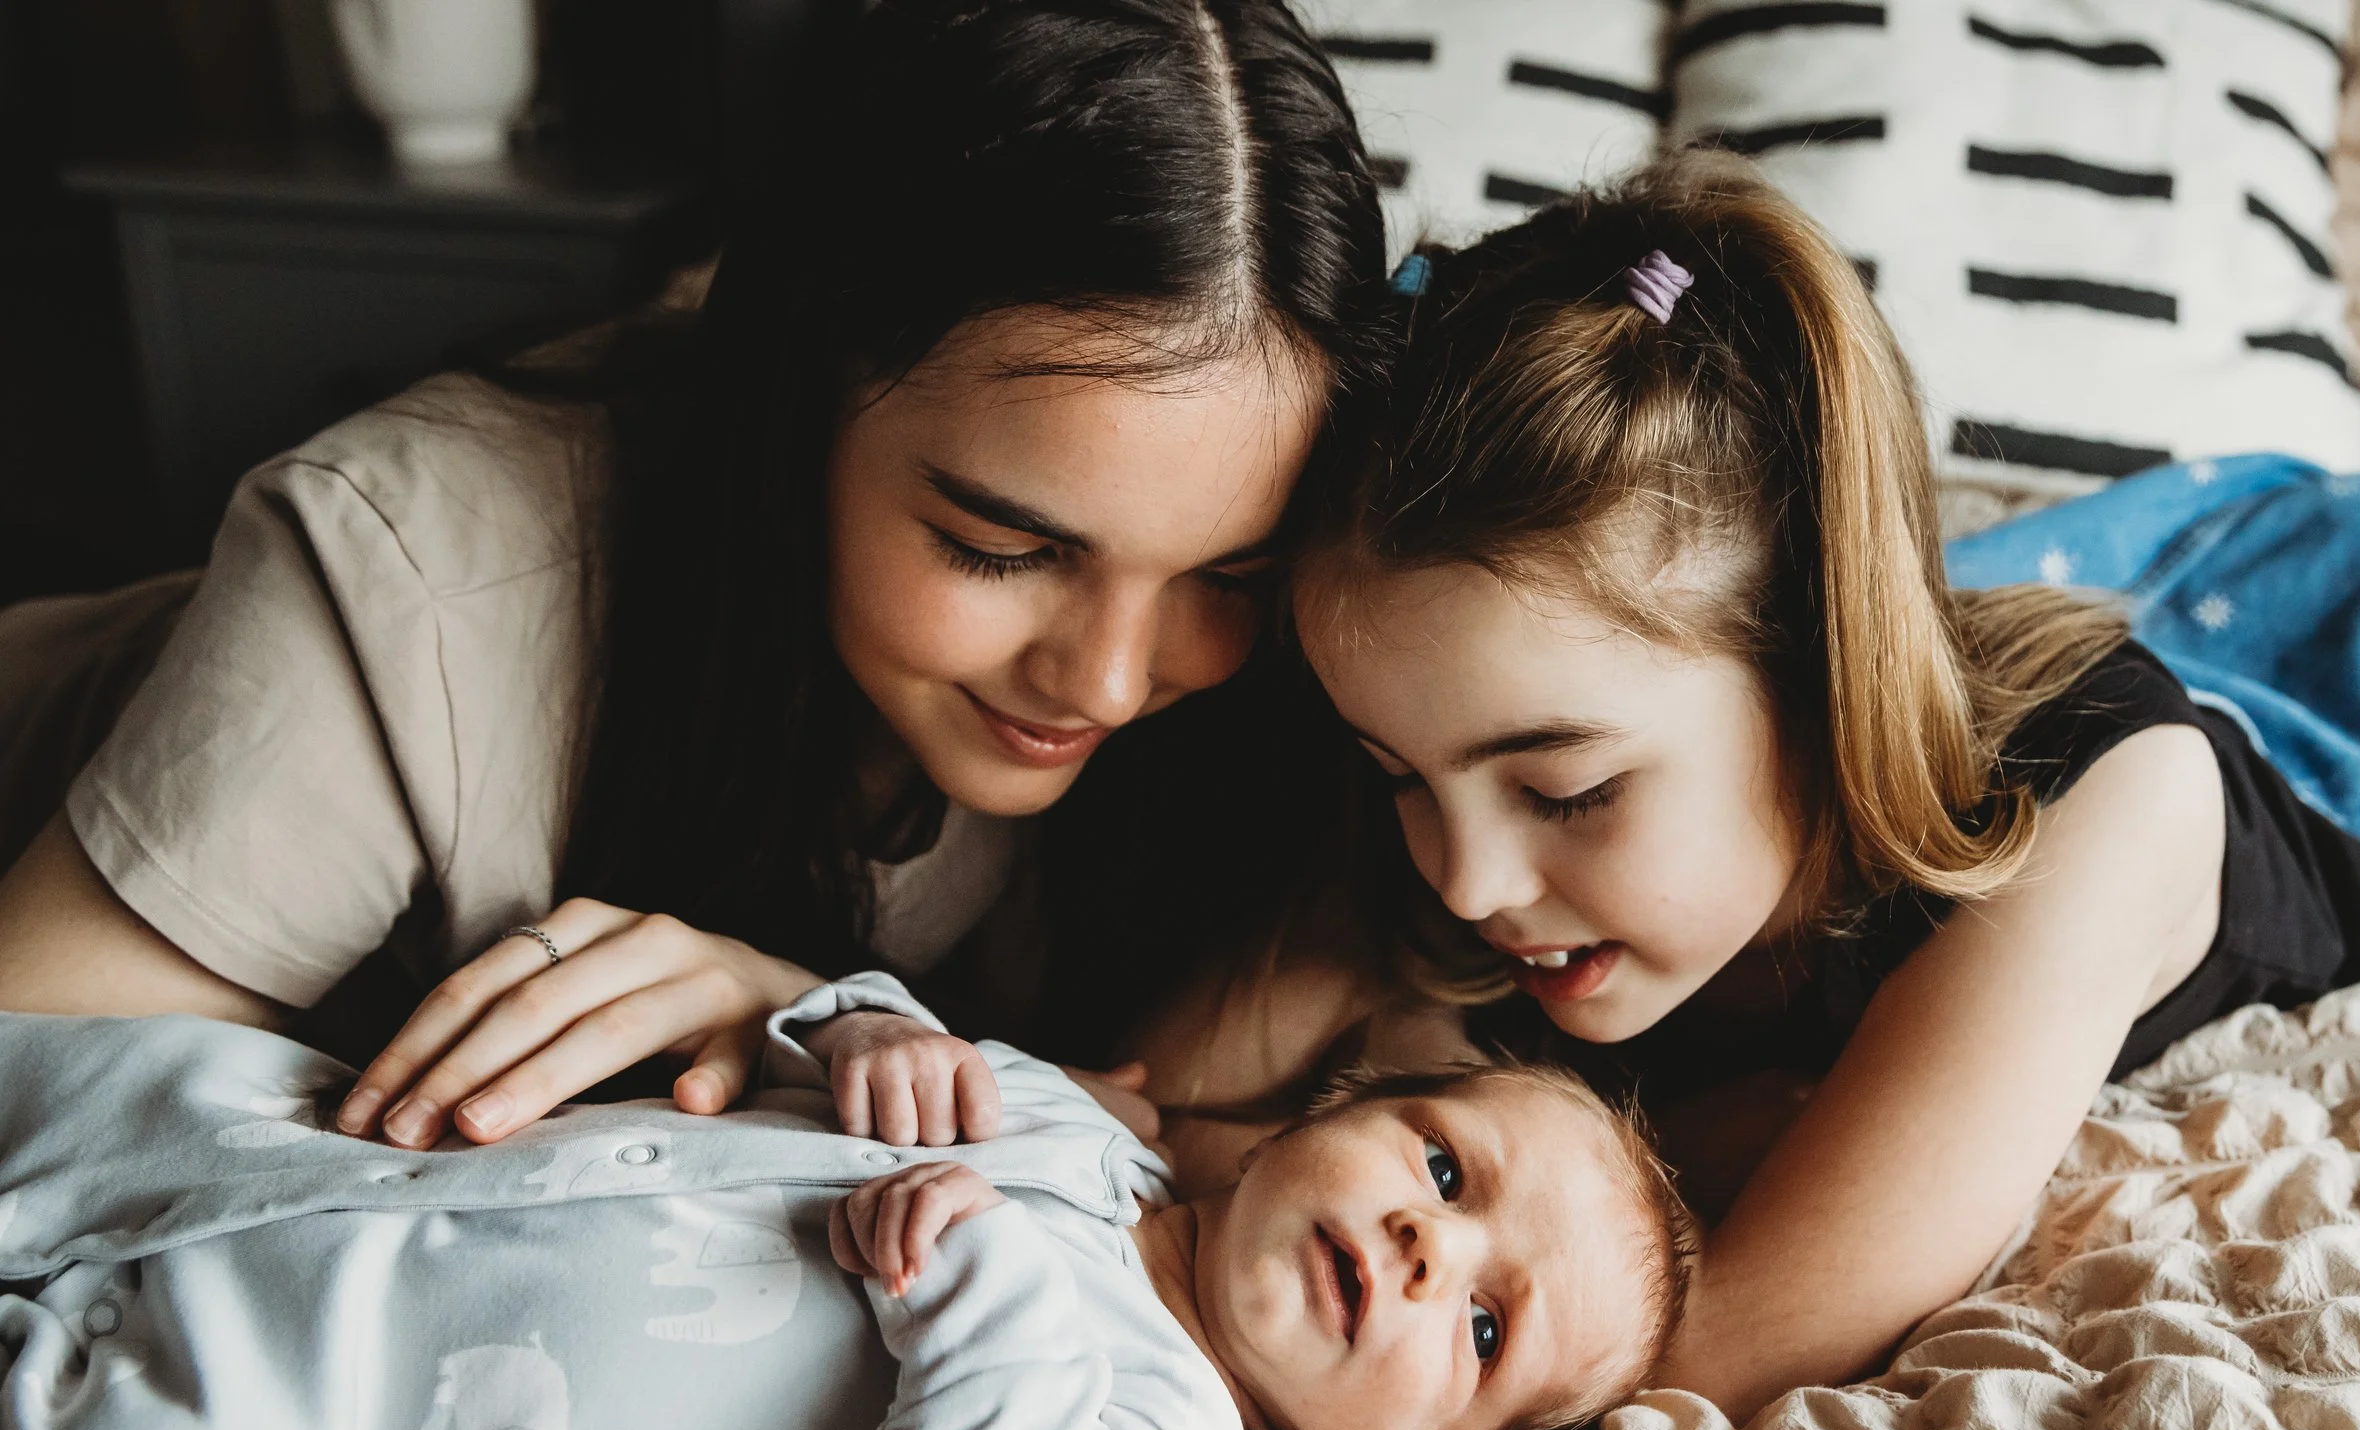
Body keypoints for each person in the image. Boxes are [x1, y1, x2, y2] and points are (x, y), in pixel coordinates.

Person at [1226, 151, 2360, 1422]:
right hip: (2087, 585)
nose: (1467, 882)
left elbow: (1724, 1347)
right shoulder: (1526, 699)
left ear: (1823, 678)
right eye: (1396, 773)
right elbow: (1177, 1081)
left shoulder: (2106, 813)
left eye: (1565, 791)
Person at [0, 0, 1384, 1151]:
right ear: (801, 405)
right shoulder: (411, 578)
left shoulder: (1288, 679)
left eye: (1228, 577)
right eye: (1003, 549)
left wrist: (796, 1014)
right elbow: (35, 1117)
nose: (1107, 678)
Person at [0, 974, 1689, 1430]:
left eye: (1481, 1330)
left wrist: (985, 1303)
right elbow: (823, 1023)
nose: (1418, 1247)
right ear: (1343, 1097)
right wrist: (865, 1025)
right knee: (114, 1071)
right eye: (1445, 1166)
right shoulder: (1064, 1124)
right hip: (323, 1143)